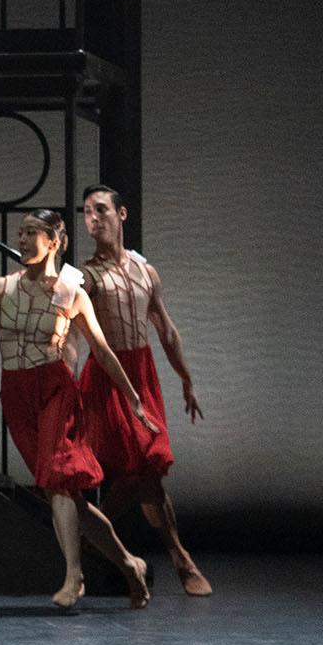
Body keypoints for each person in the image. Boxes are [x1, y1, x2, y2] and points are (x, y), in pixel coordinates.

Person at [0, 209, 155, 610]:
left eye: (30, 233)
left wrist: (134, 399)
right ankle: (130, 565)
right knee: (69, 497)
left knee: (56, 479)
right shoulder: (0, 288)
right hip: (16, 393)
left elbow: (102, 351)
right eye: (19, 233)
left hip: (55, 388)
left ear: (53, 241)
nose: (20, 239)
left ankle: (74, 575)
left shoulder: (71, 291)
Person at [79, 185, 212, 596]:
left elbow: (166, 330)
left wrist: (186, 377)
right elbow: (69, 333)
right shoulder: (87, 275)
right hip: (107, 375)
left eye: (101, 210)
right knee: (144, 467)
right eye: (87, 212)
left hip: (143, 372)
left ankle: (89, 536)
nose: (93, 218)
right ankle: (179, 556)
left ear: (122, 215)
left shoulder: (144, 272)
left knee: (141, 471)